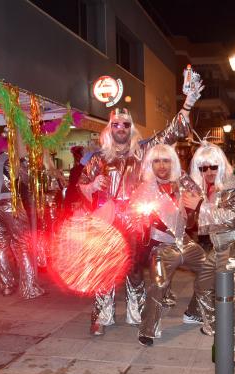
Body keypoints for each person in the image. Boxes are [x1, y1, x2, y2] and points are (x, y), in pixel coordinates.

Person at [78, 72, 204, 336]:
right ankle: (102, 315)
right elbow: (81, 186)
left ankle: (137, 313)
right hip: (106, 222)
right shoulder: (97, 159)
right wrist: (91, 187)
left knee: (135, 270)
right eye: (116, 125)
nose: (120, 129)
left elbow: (173, 133)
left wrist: (188, 102)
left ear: (131, 128)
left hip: (135, 222)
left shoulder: (143, 151)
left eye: (125, 125)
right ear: (109, 129)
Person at [184, 143, 235, 364]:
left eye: (213, 167)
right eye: (203, 168)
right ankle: (218, 328)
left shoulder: (233, 185)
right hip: (221, 246)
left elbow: (232, 218)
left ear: (221, 165)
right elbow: (203, 226)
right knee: (203, 286)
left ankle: (234, 349)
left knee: (227, 295)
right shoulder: (210, 187)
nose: (208, 172)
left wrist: (200, 206)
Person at [133, 144, 209, 346]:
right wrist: (143, 220)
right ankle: (147, 329)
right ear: (150, 164)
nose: (161, 165)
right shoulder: (144, 189)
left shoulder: (183, 185)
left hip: (183, 241)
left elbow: (190, 224)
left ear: (173, 162)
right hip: (160, 246)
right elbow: (135, 223)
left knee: (210, 268)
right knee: (158, 284)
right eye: (156, 161)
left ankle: (193, 312)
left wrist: (192, 210)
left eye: (166, 160)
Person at [0, 151, 44, 299]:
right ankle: (29, 287)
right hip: (10, 205)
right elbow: (28, 180)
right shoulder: (10, 159)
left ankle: (6, 286)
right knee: (22, 244)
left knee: (0, 246)